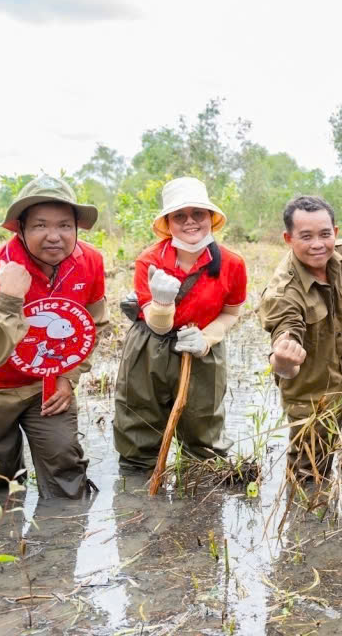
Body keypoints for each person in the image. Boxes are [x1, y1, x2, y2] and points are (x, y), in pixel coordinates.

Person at [0, 174, 107, 498]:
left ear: (77, 227)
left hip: (46, 383)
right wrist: (9, 298)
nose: (54, 236)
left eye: (64, 225)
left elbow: (92, 325)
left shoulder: (90, 261)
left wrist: (68, 376)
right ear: (20, 229)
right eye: (40, 225)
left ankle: (64, 530)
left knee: (67, 474)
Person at [113, 177, 246, 470]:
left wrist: (206, 340)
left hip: (202, 347)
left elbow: (230, 313)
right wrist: (162, 303)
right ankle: (137, 491)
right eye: (180, 216)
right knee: (139, 428)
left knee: (204, 436)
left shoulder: (232, 263)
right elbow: (158, 326)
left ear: (210, 218)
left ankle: (200, 490)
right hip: (150, 346)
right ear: (168, 222)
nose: (190, 222)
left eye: (198, 213)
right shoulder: (149, 260)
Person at [258, 195, 342, 480]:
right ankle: (313, 503)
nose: (318, 244)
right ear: (288, 238)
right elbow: (284, 350)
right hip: (313, 388)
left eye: (324, 234)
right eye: (306, 236)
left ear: (335, 232)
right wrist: (283, 360)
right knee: (309, 474)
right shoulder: (283, 293)